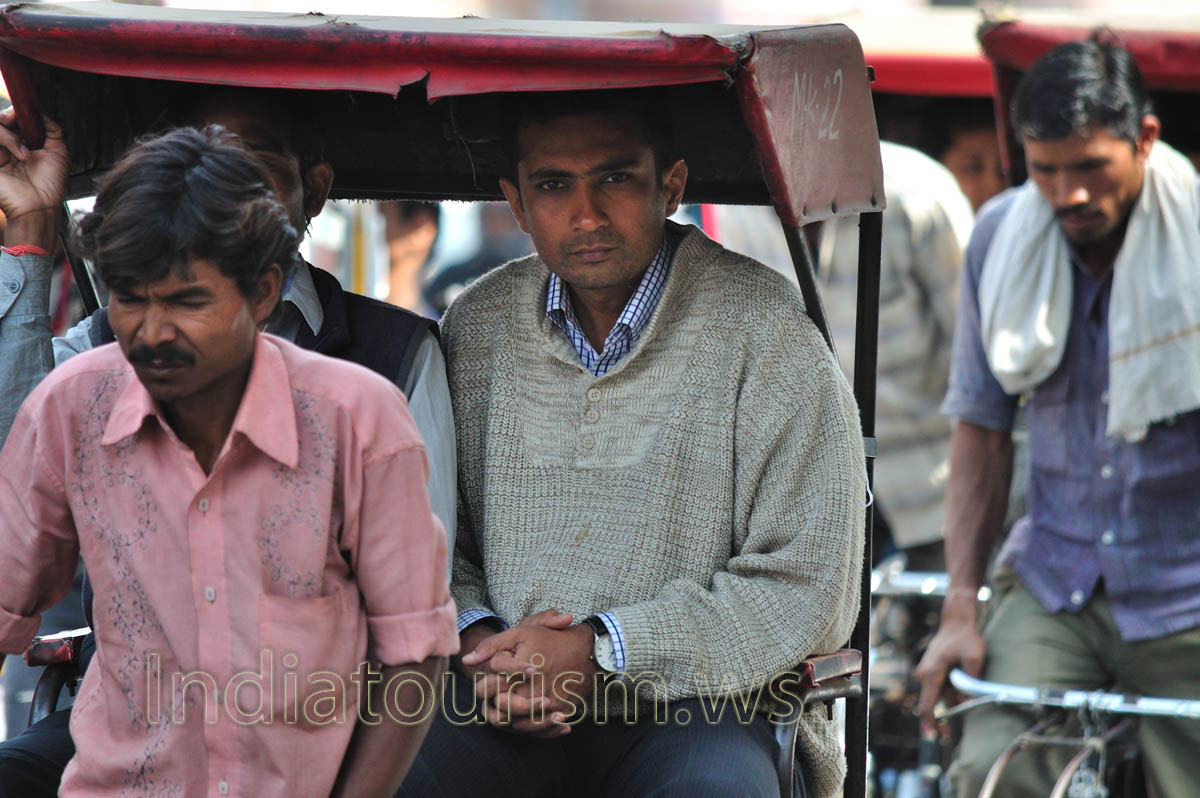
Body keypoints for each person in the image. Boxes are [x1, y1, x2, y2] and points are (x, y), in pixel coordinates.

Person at [397, 90, 866, 798]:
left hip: (706, 705)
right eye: (553, 186)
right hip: (501, 699)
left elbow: (808, 587)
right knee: (387, 766)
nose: (585, 215)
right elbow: (432, 538)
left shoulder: (766, 333)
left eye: (616, 178)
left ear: (670, 185)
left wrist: (602, 650)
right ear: (516, 204)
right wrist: (482, 644)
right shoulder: (479, 326)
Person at [0, 87, 457, 794]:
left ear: (264, 291)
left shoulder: (359, 415)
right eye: (130, 299)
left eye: (187, 302)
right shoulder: (73, 403)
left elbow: (415, 652)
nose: (152, 334)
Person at [915, 41, 1200, 798]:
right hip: (1055, 582)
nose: (1067, 194)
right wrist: (958, 611)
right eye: (1045, 170)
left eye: (1090, 167)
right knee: (987, 772)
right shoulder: (1001, 238)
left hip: (1187, 593)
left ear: (1144, 139)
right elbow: (979, 427)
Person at [714, 141, 973, 565]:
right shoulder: (735, 205)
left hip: (931, 493)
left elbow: (972, 354)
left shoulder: (916, 192)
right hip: (807, 506)